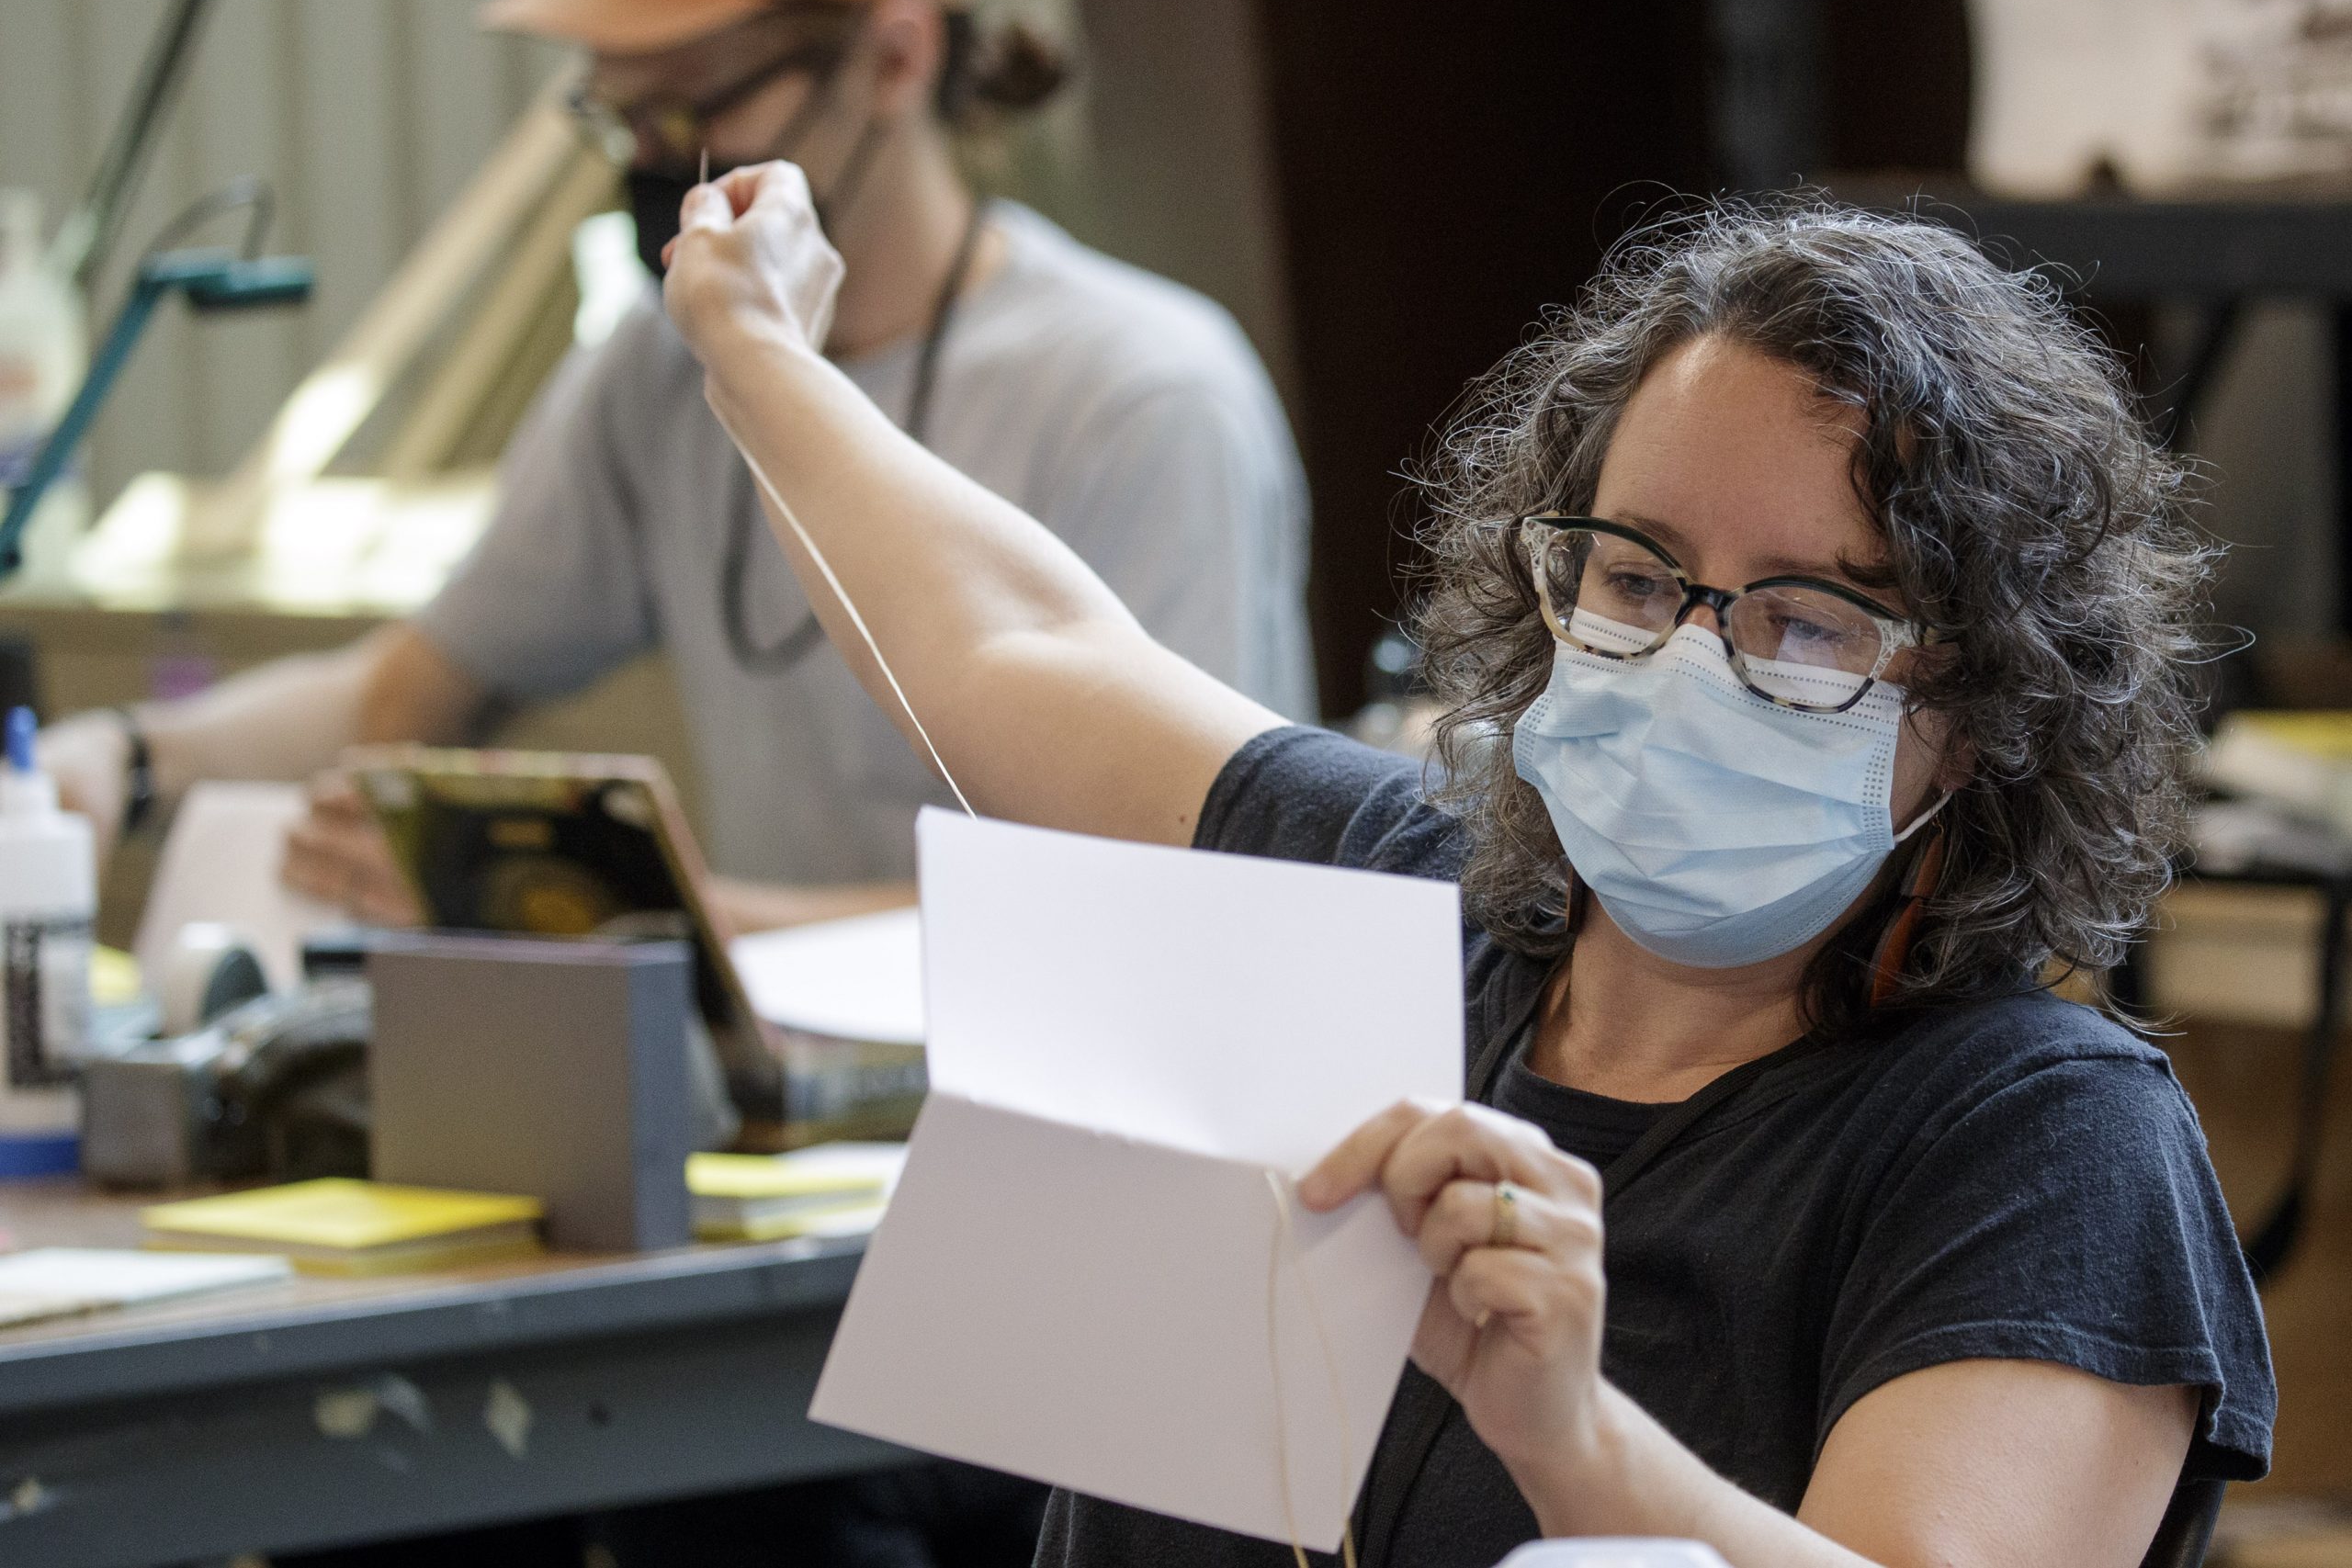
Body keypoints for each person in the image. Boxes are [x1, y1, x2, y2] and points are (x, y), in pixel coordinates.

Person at [661, 166, 2274, 1567]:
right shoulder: (1359, 903)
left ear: (1985, 708)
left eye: (1808, 622)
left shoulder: (2044, 1143)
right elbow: (1013, 638)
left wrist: (1572, 1438)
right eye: (1638, 576)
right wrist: (753, 345)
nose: (1690, 658)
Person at [38, 0, 1314, 938]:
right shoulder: (657, 383)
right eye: (624, 120)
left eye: (693, 109)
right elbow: (402, 694)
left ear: (897, 53)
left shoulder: (1140, 398)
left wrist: (641, 909)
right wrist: (129, 761)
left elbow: (1165, 901)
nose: (657, 166)